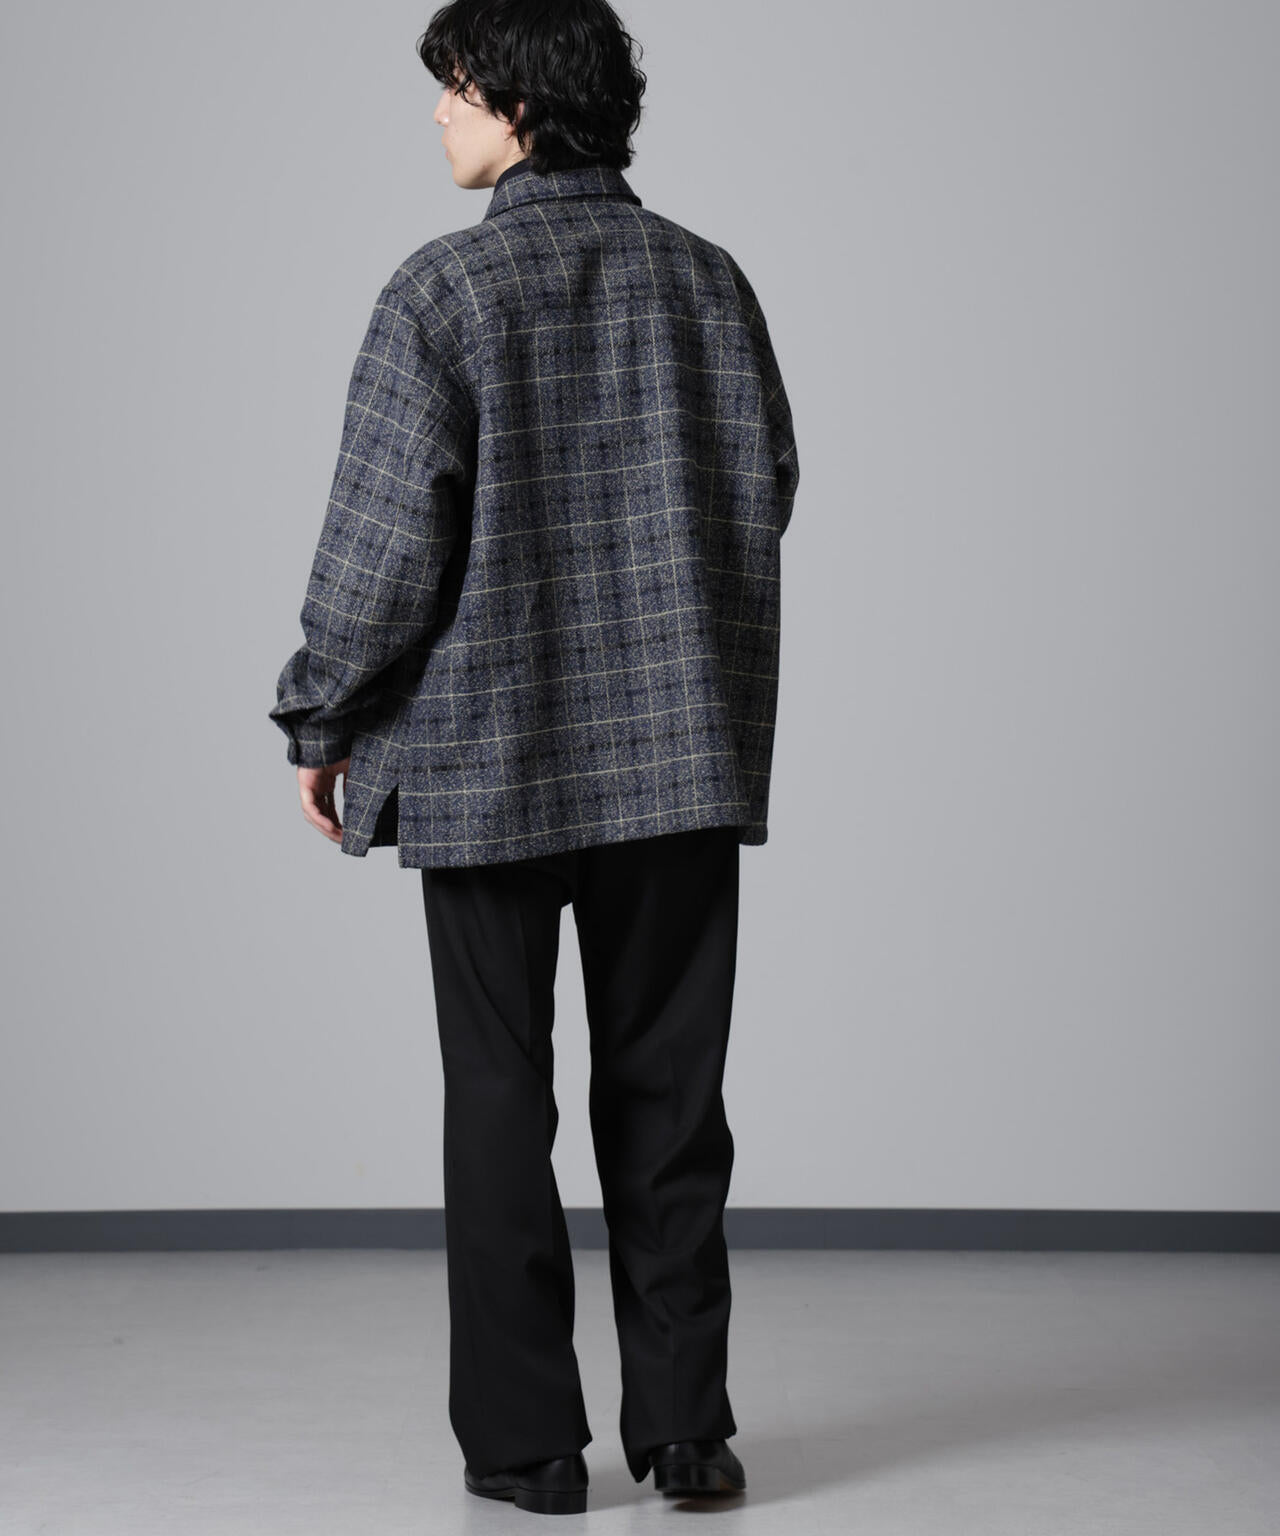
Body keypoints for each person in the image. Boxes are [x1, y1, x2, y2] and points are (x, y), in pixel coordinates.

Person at [268, 0, 798, 1515]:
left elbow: (382, 550)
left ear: (514, 102)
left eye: (453, 88)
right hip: (680, 757)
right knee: (672, 1100)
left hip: (488, 758)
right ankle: (686, 1432)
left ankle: (529, 1448)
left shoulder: (442, 293)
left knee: (499, 1102)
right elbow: (767, 482)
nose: (438, 113)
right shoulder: (707, 281)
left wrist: (320, 717)